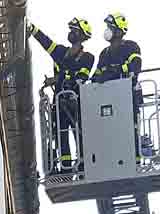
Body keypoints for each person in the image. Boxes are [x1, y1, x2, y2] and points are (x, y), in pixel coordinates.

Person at [27, 18, 94, 172]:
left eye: (75, 31)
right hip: (59, 104)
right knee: (60, 136)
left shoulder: (88, 57)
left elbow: (80, 77)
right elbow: (46, 42)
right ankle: (66, 168)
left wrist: (60, 79)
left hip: (76, 103)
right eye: (71, 30)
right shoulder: (61, 52)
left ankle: (84, 166)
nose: (71, 33)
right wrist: (32, 28)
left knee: (80, 135)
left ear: (82, 35)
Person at [91, 13, 142, 83]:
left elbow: (136, 65)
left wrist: (117, 70)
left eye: (110, 28)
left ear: (119, 32)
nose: (107, 30)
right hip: (107, 92)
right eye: (107, 27)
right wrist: (96, 78)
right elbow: (97, 73)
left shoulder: (131, 46)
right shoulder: (104, 53)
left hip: (128, 90)